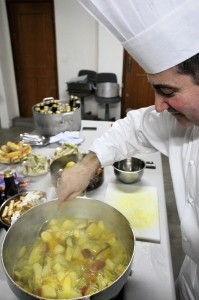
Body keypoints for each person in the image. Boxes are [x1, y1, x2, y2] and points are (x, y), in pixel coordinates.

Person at [57, 1, 199, 299]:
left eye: (167, 91)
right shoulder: (183, 121)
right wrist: (86, 165)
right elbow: (134, 127)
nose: (159, 105)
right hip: (191, 275)